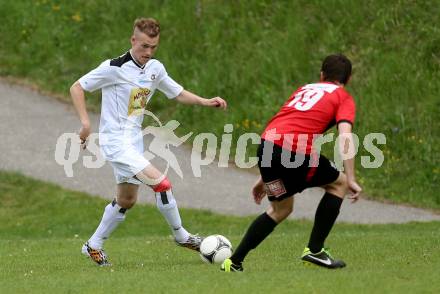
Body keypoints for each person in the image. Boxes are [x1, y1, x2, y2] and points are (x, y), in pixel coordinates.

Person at [70, 17, 227, 266]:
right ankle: (181, 236)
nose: (148, 52)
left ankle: (93, 245)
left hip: (134, 143)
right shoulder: (114, 67)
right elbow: (77, 87)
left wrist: (205, 101)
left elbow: (177, 93)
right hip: (115, 143)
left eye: (153, 47)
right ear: (133, 40)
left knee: (126, 200)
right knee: (162, 184)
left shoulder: (155, 68)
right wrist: (86, 124)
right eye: (144, 46)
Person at [221, 54, 361, 272]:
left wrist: (264, 175)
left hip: (267, 148)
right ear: (349, 78)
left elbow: (284, 127)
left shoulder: (304, 90)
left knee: (280, 209)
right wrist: (351, 177)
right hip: (293, 154)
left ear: (321, 75)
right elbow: (345, 136)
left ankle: (234, 262)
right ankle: (315, 251)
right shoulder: (342, 96)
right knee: (339, 183)